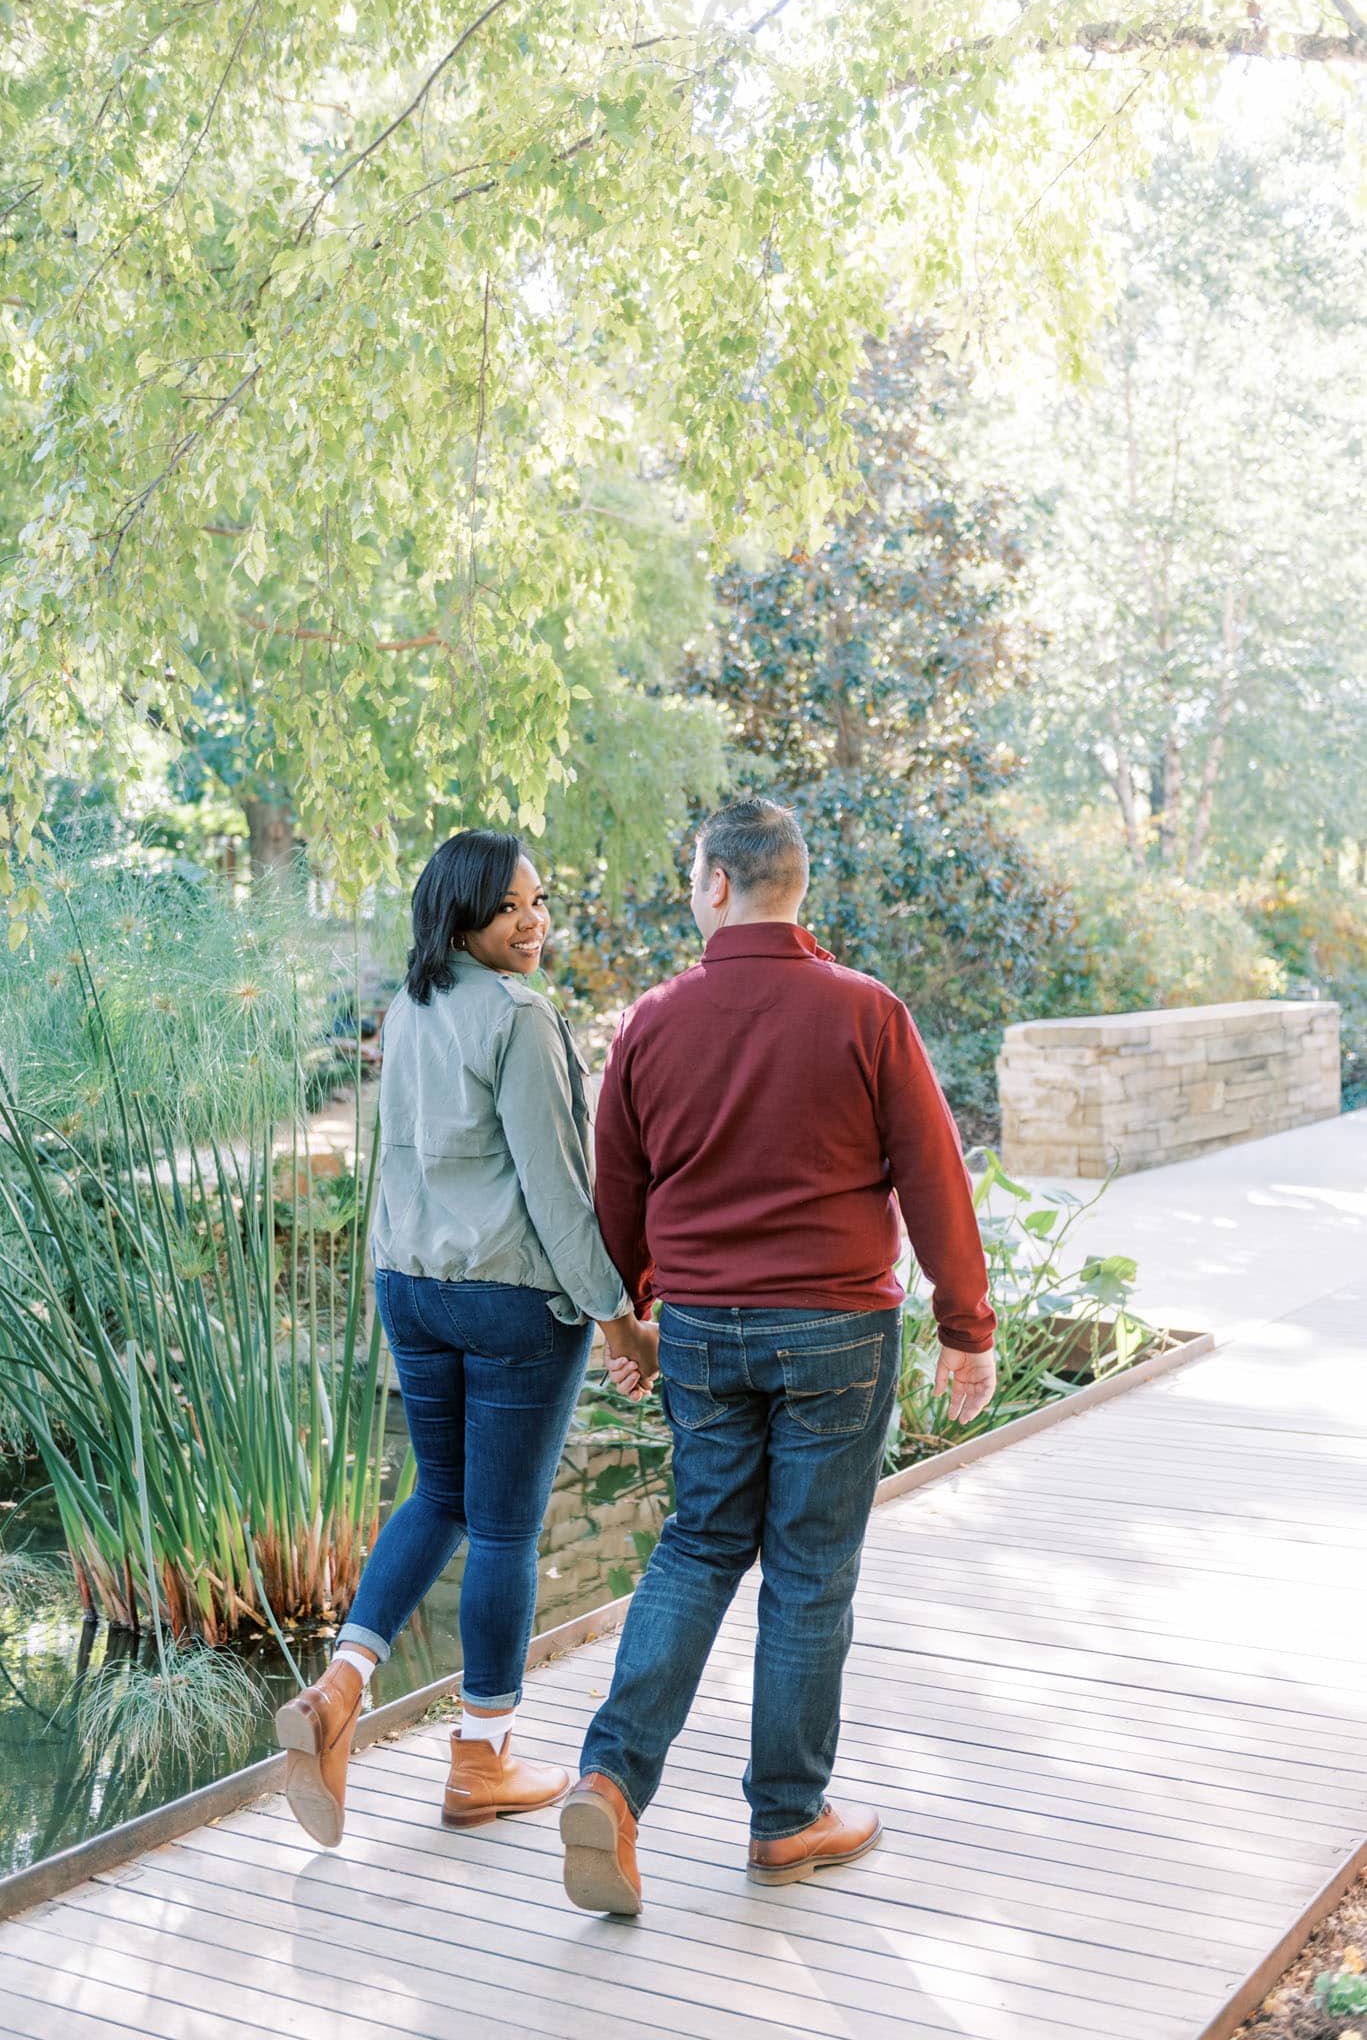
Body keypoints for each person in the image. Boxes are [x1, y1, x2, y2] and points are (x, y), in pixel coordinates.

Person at [558, 799, 996, 1914]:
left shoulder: (651, 1022)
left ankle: (609, 1779)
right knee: (807, 1570)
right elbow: (932, 1177)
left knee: (698, 1546)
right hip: (838, 1328)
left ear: (713, 885)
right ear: (795, 886)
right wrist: (965, 1328)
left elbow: (620, 1195)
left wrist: (629, 1320)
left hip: (702, 1328)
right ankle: (786, 1819)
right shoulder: (866, 1012)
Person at [275, 830, 658, 1847]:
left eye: (538, 900)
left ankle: (338, 1687)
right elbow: (554, 1186)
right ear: (460, 919)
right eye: (508, 910)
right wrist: (616, 1311)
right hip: (507, 1299)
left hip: (410, 1285)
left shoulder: (409, 1006)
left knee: (438, 1493)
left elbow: (394, 1163)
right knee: (501, 1528)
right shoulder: (519, 1019)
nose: (532, 922)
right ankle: (481, 1762)